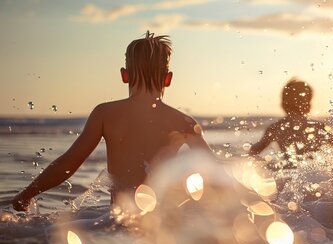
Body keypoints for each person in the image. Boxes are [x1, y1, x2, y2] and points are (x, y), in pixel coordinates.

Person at [12, 32, 212, 211]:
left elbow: (68, 163)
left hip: (117, 217)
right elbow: (214, 171)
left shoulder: (105, 113)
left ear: (124, 75)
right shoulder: (183, 122)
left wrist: (27, 194)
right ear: (168, 79)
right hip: (160, 223)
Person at [249, 79, 333, 166]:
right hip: (315, 176)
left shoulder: (275, 128)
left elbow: (253, 152)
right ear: (308, 105)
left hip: (289, 174)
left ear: (284, 104)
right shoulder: (317, 127)